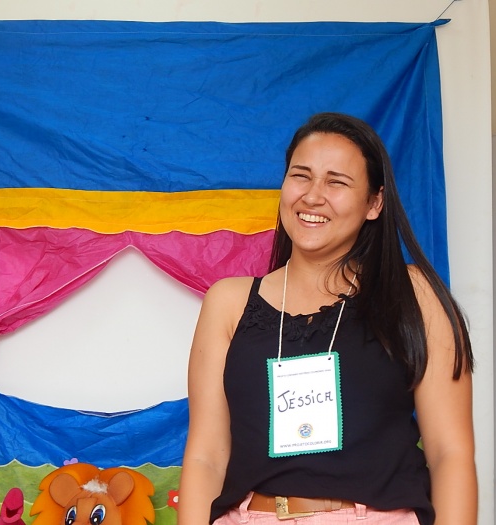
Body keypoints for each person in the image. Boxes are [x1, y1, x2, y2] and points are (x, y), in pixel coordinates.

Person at [178, 113, 476, 525]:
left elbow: (450, 453)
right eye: (301, 176)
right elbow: (205, 458)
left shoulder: (415, 294)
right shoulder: (227, 302)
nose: (313, 196)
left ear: (374, 203)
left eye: (337, 182)